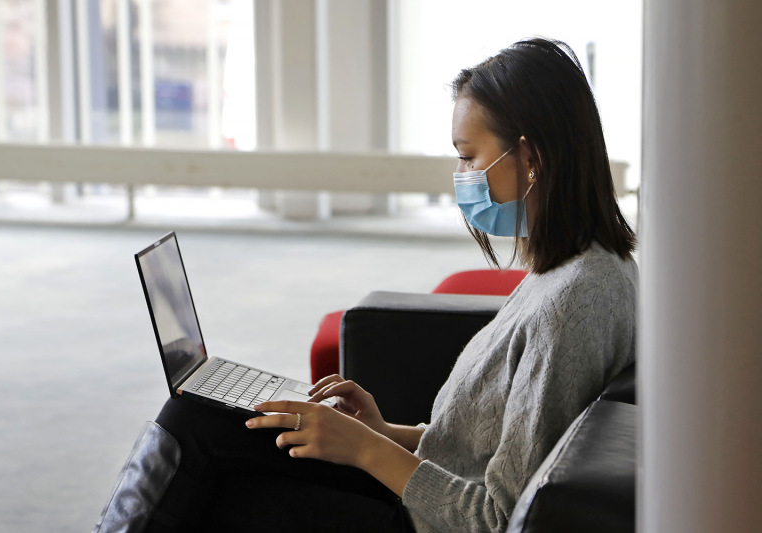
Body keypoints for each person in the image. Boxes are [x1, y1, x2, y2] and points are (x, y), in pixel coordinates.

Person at [141, 37, 637, 533]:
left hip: (419, 522)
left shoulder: (573, 304)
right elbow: (477, 452)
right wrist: (381, 433)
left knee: (200, 447)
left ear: (530, 157)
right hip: (421, 498)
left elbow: (497, 519)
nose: (461, 175)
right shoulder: (575, 270)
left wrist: (362, 448)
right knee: (200, 416)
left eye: (468, 157)